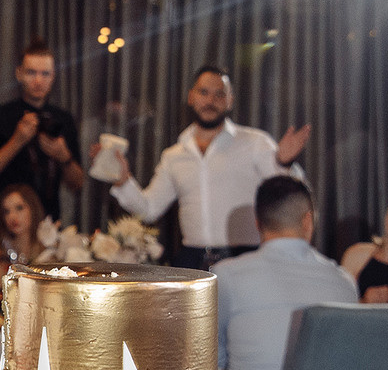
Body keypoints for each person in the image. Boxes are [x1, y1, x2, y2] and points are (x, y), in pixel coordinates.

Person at [102, 65, 310, 269]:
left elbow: (291, 194)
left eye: (219, 95)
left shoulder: (254, 142)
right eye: (204, 93)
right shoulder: (174, 155)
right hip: (192, 260)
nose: (211, 101)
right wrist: (123, 181)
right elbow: (149, 209)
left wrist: (284, 163)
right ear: (191, 96)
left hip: (245, 256)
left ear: (230, 101)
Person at [211, 176, 359, 370]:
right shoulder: (345, 282)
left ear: (258, 223)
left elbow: (211, 361)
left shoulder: (225, 276)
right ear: (308, 221)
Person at [0, 38, 84, 219]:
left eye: (45, 74)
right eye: (31, 73)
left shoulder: (63, 119)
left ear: (53, 76)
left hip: (48, 222)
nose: (38, 81)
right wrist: (17, 141)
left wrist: (64, 156)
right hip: (5, 222)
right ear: (19, 74)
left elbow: (78, 183)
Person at [0, 181, 79, 285]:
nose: (12, 216)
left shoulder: (49, 252)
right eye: (6, 211)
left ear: (33, 209)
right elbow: (0, 290)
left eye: (19, 208)